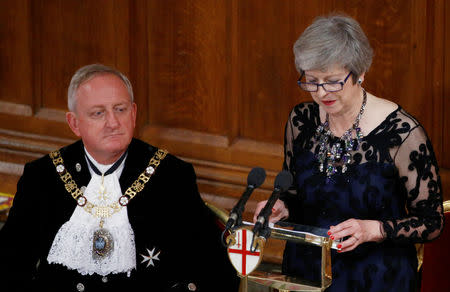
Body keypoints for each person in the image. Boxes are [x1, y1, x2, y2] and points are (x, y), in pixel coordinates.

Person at [0, 64, 239, 291]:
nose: (113, 123)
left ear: (133, 114)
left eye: (120, 109)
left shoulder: (171, 176)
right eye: (98, 113)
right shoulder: (43, 177)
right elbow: (10, 267)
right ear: (74, 123)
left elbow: (213, 271)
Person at [253, 15, 444, 292]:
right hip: (307, 270)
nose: (321, 93)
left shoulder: (402, 133)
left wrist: (374, 230)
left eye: (332, 82)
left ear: (360, 72)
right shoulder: (301, 121)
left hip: (376, 275)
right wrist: (281, 208)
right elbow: (295, 194)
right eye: (311, 81)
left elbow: (432, 222)